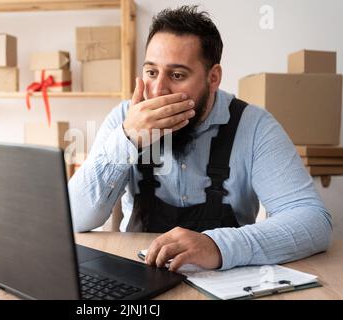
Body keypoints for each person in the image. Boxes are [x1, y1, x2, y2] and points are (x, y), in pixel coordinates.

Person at [68, 5, 332, 272]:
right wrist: (127, 139)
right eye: (151, 72)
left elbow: (313, 221)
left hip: (225, 282)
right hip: (138, 275)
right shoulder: (124, 119)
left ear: (213, 77)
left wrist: (217, 245)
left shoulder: (254, 126)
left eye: (177, 75)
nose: (158, 90)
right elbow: (74, 218)